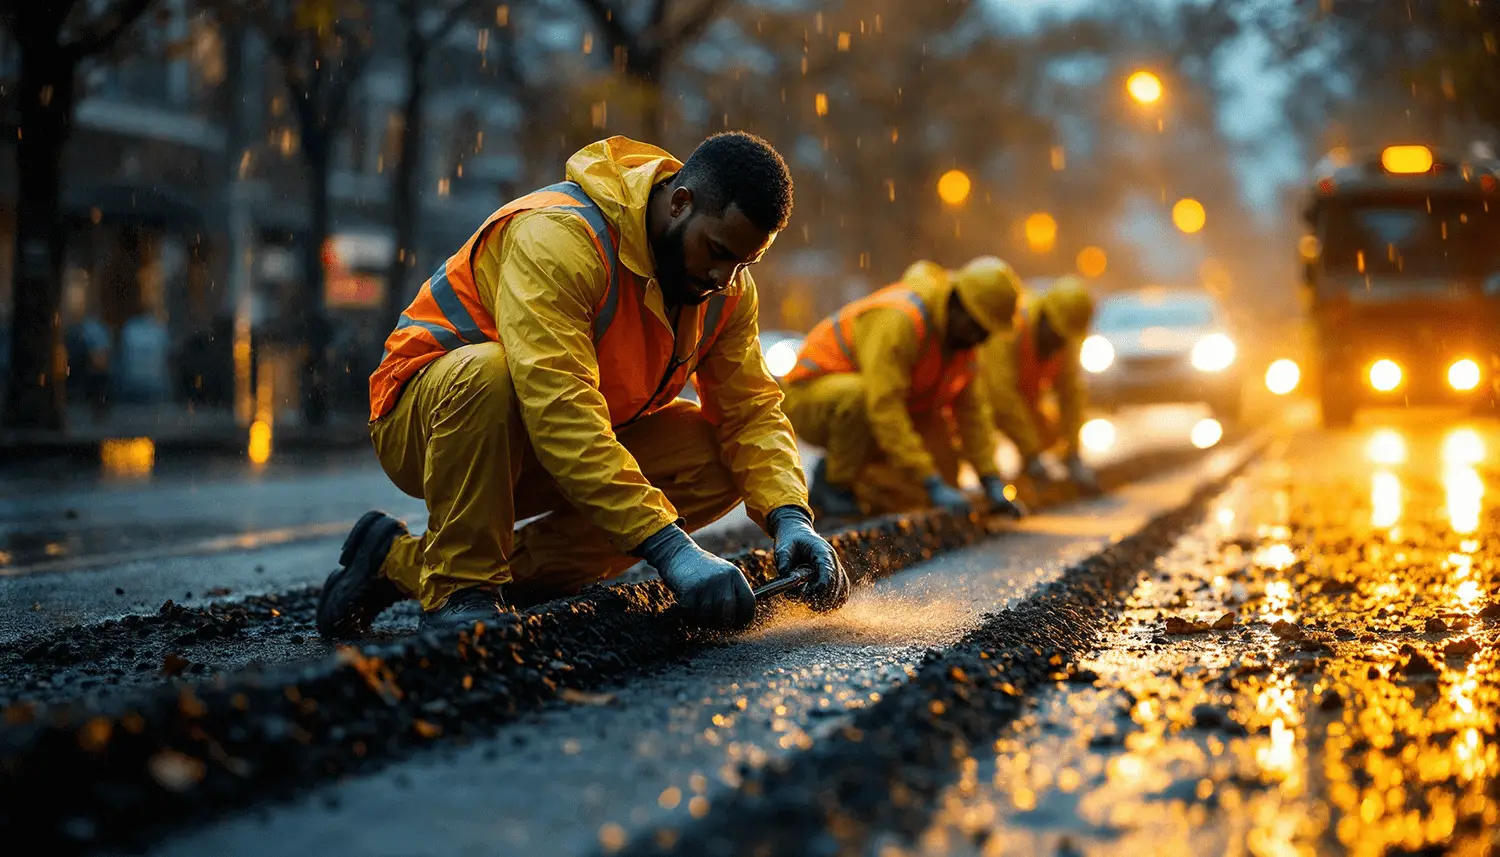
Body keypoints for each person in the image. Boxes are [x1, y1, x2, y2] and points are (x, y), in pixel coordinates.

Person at [317, 133, 850, 638]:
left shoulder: (726, 288)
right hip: (430, 420)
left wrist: (790, 517)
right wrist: (671, 548)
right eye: (717, 251)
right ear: (680, 203)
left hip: (546, 441)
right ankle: (461, 587)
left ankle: (397, 564)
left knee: (716, 455)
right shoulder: (560, 238)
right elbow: (560, 411)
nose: (724, 279)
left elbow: (750, 411)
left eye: (744, 262)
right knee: (489, 373)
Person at [782, 257, 1027, 518]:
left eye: (987, 333)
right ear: (959, 306)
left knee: (937, 482)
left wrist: (990, 479)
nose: (981, 339)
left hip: (870, 407)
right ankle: (835, 484)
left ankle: (865, 479)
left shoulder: (961, 343)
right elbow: (884, 406)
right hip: (810, 397)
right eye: (979, 328)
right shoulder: (902, 319)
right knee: (861, 398)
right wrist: (930, 481)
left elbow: (972, 414)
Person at [979, 275, 1100, 493]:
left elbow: (1071, 394)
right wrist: (1031, 452)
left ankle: (1026, 481)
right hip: (980, 403)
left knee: (1050, 433)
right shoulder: (1013, 326)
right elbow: (1000, 395)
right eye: (1056, 335)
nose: (1057, 344)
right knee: (969, 447)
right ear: (1045, 315)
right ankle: (987, 482)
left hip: (1022, 400)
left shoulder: (1064, 338)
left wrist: (1072, 452)